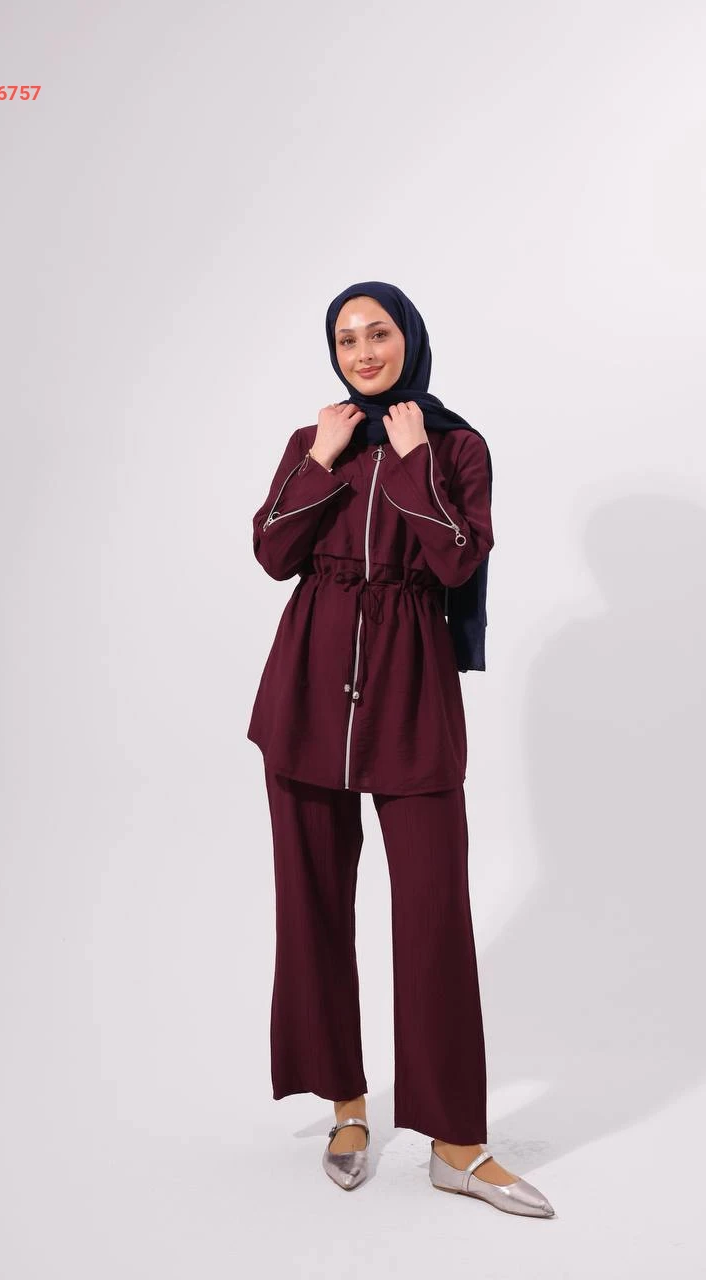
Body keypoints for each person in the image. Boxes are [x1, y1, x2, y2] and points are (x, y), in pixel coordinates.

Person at [246, 281, 555, 1218]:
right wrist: (320, 460)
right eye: (346, 339)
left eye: (378, 333)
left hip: (411, 693)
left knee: (433, 918)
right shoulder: (315, 440)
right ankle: (346, 1107)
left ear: (409, 339)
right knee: (309, 909)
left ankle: (456, 1144)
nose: (363, 351)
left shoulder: (456, 446)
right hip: (305, 693)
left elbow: (458, 559)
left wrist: (415, 461)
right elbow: (272, 553)